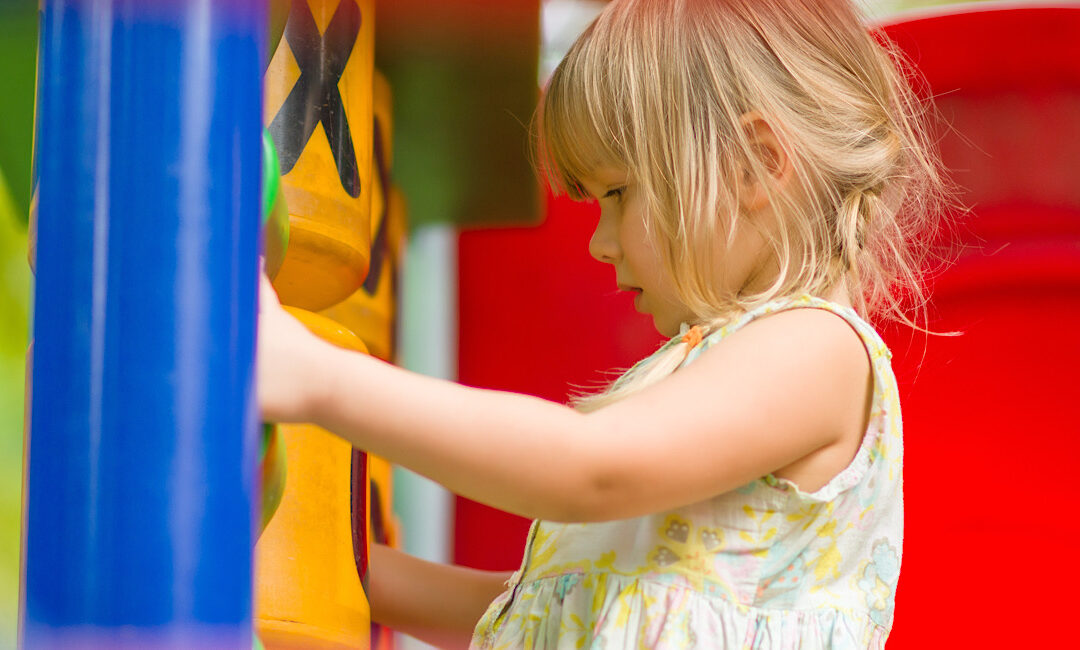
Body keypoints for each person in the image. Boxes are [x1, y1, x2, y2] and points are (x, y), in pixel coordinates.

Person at [258, 0, 948, 647]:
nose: (600, 241)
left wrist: (320, 380)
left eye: (618, 193)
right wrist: (319, 555)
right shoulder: (726, 369)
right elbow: (544, 616)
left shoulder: (817, 349)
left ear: (757, 164)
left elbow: (590, 467)